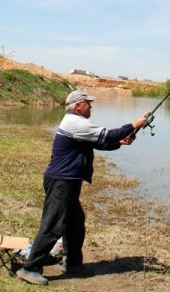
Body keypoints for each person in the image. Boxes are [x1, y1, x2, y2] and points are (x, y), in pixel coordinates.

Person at [16, 90, 149, 285]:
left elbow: (102, 142)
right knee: (53, 225)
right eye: (88, 103)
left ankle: (73, 263)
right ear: (78, 106)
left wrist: (119, 142)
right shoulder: (75, 123)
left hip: (68, 181)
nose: (91, 106)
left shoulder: (77, 125)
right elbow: (108, 134)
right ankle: (30, 268)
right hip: (62, 181)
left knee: (75, 224)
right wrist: (134, 124)